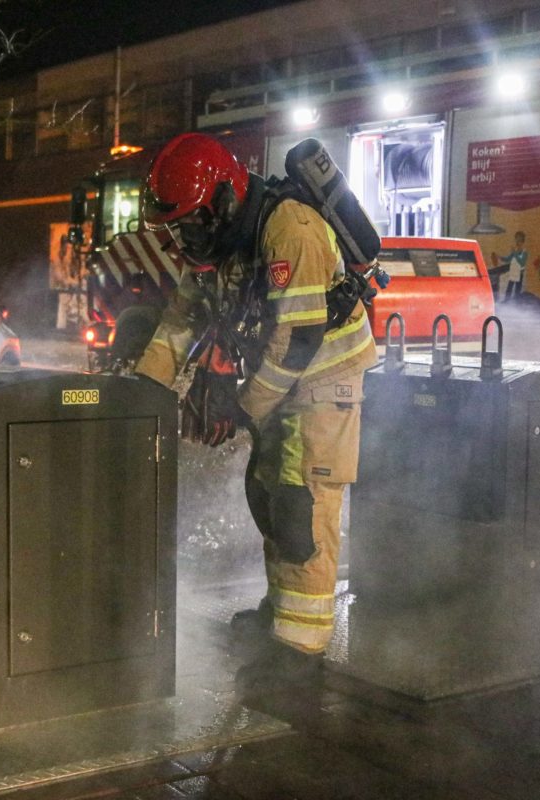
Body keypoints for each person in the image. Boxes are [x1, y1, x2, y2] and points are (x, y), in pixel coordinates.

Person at [134, 133, 377, 687]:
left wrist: (241, 410)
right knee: (268, 492)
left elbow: (298, 342)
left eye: (189, 224)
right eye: (176, 229)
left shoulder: (290, 228)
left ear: (223, 199)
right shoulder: (216, 244)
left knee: (300, 506)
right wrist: (141, 397)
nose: (184, 239)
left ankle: (300, 651)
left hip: (324, 381)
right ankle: (282, 612)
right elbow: (180, 323)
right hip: (279, 381)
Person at [498, 231, 529, 302]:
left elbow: (522, 263)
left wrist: (515, 253)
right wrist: (500, 257)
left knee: (517, 290)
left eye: (519, 240)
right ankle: (506, 301)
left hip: (519, 274)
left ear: (522, 241)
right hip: (513, 272)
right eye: (516, 239)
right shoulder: (515, 251)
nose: (517, 242)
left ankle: (517, 302)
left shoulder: (525, 252)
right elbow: (508, 259)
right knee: (509, 288)